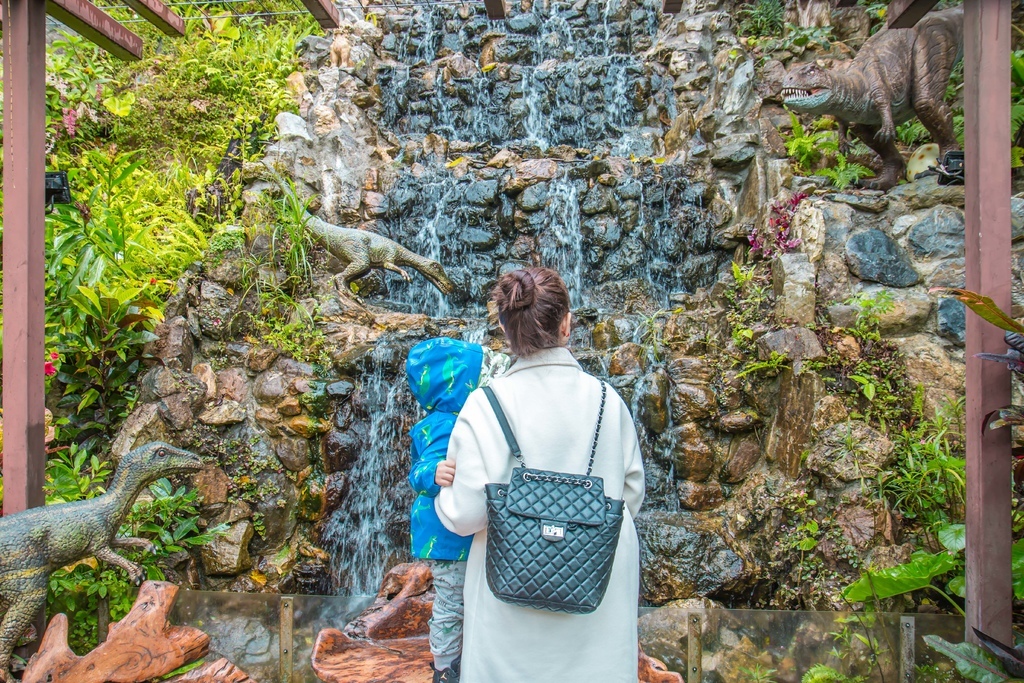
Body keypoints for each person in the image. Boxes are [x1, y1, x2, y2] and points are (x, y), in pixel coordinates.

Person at [436, 267, 646, 683]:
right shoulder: (608, 400)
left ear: (503, 329)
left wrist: (447, 491)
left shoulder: (484, 403)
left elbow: (465, 515)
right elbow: (630, 496)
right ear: (566, 322)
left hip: (509, 614)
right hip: (595, 601)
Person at [406, 338, 510, 683]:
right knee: (452, 602)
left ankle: (463, 660)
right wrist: (432, 474)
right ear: (456, 385)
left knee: (464, 599)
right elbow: (419, 471)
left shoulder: (461, 417)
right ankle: (445, 667)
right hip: (446, 538)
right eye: (478, 376)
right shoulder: (441, 424)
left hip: (459, 534)